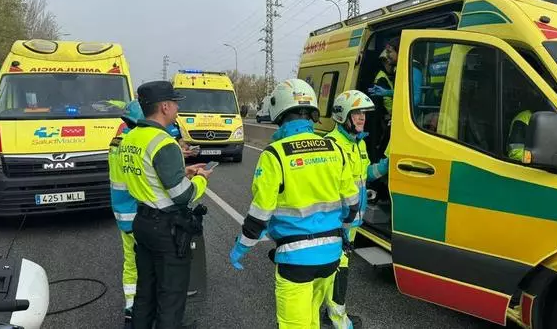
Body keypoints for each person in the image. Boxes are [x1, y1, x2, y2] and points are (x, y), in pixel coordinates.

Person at [229, 78, 360, 329]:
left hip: (295, 260)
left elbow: (260, 214)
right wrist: (340, 228)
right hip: (331, 256)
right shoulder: (335, 149)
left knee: (294, 324)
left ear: (279, 115)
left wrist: (241, 248)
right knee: (311, 317)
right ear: (312, 113)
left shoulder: (275, 154)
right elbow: (352, 203)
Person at [120, 81, 213, 329]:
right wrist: (201, 179)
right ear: (164, 106)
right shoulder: (164, 142)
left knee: (145, 294)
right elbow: (183, 196)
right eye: (175, 103)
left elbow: (149, 175)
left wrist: (183, 170)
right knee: (171, 298)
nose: (177, 109)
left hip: (141, 221)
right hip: (166, 229)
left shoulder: (131, 139)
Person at [321, 90, 388, 329]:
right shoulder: (331, 145)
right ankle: (337, 319)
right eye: (357, 113)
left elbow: (366, 174)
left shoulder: (358, 144)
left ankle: (326, 311)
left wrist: (386, 165)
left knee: (335, 268)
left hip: (352, 221)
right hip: (337, 221)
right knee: (339, 269)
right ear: (343, 115)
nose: (362, 118)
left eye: (364, 114)